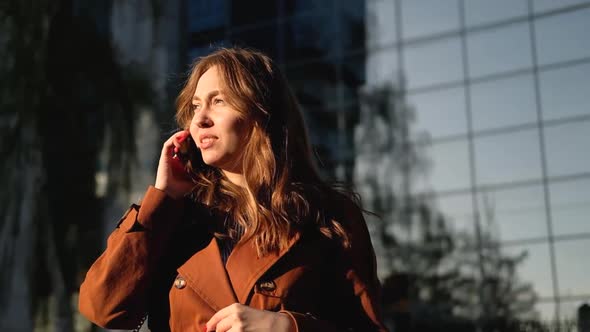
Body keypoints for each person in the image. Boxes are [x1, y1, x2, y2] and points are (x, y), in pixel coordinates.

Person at [78, 47, 388, 332]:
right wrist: (162, 197)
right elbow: (103, 308)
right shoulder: (176, 215)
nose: (200, 119)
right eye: (195, 106)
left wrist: (286, 327)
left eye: (218, 102)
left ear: (261, 113)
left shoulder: (328, 217)